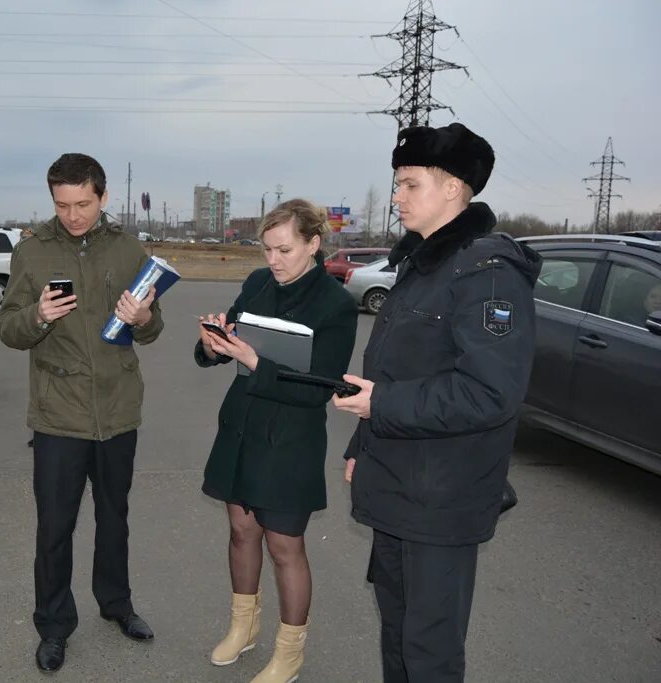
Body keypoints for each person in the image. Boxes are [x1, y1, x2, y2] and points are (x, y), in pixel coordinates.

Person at [333, 122, 542, 683]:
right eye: (396, 184)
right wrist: (362, 442)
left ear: (454, 188)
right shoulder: (423, 264)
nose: (396, 197)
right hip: (399, 481)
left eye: (409, 184)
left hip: (442, 498)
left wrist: (382, 408)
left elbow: (489, 392)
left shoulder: (487, 272)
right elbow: (392, 372)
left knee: (430, 651)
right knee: (398, 632)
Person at [0, 153, 164, 673]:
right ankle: (53, 626)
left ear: (103, 197)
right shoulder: (31, 252)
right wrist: (37, 315)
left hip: (118, 411)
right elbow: (8, 328)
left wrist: (143, 318)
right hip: (58, 415)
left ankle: (116, 605)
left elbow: (153, 328)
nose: (72, 215)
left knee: (115, 519)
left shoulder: (128, 248)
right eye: (62, 204)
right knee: (54, 527)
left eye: (83, 204)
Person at [196, 199, 357, 683]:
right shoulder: (256, 283)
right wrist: (213, 346)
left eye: (284, 249)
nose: (274, 260)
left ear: (314, 243)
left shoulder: (336, 305)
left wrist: (253, 363)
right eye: (267, 249)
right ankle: (243, 627)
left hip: (290, 441)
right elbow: (233, 342)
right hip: (241, 428)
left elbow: (322, 385)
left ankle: (290, 650)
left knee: (286, 548)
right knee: (241, 532)